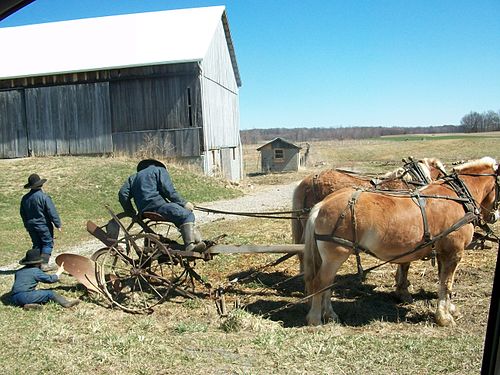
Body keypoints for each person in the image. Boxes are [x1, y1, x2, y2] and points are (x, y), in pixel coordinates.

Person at [118, 159, 206, 252]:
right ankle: (190, 246)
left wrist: (131, 212)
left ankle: (198, 242)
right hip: (159, 207)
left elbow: (123, 194)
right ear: (157, 165)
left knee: (180, 218)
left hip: (144, 212)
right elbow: (169, 191)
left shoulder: (133, 177)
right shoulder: (158, 170)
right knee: (187, 215)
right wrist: (184, 203)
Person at [10, 248, 80, 310]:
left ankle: (27, 305)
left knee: (36, 294)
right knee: (50, 293)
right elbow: (50, 279)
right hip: (26, 296)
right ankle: (66, 303)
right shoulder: (35, 271)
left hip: (14, 298)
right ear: (37, 263)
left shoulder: (19, 271)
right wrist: (59, 272)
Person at [20, 173, 62, 271]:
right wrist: (57, 224)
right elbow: (52, 212)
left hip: (31, 225)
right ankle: (44, 264)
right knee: (47, 243)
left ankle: (35, 264)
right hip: (43, 225)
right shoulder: (44, 197)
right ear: (40, 184)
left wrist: (26, 225)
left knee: (37, 244)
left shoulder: (25, 198)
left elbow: (23, 213)